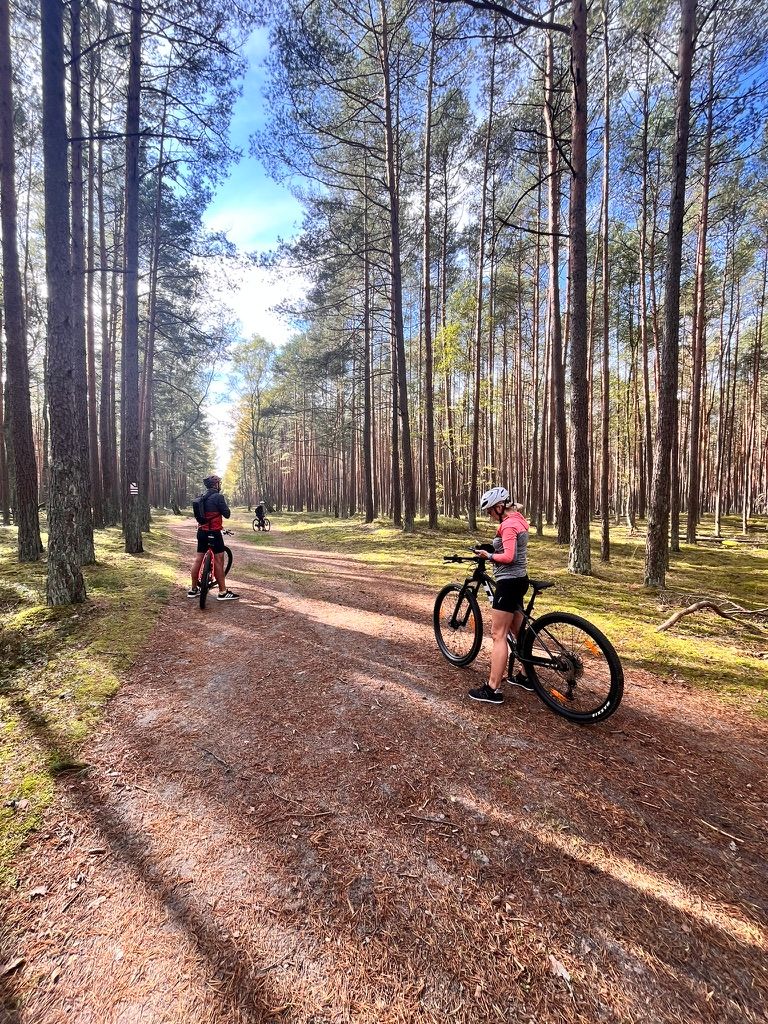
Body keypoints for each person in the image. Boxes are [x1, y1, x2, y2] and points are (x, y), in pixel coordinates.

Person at [468, 486, 531, 705]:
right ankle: (526, 675)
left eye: (489, 512)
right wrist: (491, 547)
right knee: (516, 631)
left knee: (499, 635)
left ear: (499, 506)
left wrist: (489, 555)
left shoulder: (509, 524)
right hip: (520, 580)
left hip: (509, 583)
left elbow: (510, 556)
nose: (489, 516)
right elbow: (510, 546)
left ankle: (492, 689)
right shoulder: (519, 519)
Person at [188, 474, 239, 601]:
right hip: (214, 533)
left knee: (198, 559)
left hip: (201, 532)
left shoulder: (201, 497)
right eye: (219, 483)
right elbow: (227, 514)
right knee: (219, 560)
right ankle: (222, 592)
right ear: (216, 484)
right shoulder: (218, 497)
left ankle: (193, 589)